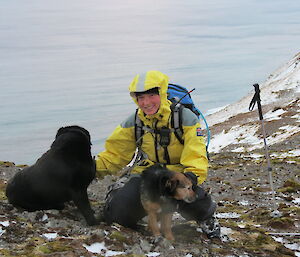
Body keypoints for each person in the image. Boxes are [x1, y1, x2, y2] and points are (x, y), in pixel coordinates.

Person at [96, 70, 220, 238]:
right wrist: (90, 170)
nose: (146, 103)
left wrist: (190, 177)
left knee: (195, 202)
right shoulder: (134, 123)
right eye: (140, 98)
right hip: (147, 175)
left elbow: (196, 153)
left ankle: (207, 218)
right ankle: (126, 200)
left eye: (151, 96)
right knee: (118, 214)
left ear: (162, 93)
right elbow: (114, 155)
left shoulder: (185, 118)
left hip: (178, 175)